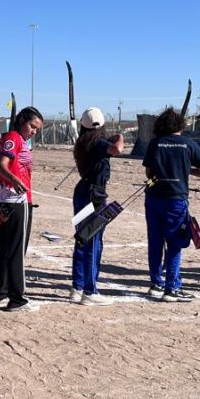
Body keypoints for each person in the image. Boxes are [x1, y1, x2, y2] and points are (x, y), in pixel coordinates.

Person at [142, 108, 200, 301]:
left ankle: (156, 283)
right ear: (180, 125)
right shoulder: (188, 144)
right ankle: (171, 287)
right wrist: (185, 170)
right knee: (174, 243)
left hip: (154, 199)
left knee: (155, 242)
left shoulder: (155, 143)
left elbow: (149, 173)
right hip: (175, 200)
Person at [0, 106, 44, 311]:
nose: (33, 131)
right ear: (21, 120)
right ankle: (17, 298)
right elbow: (2, 164)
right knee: (16, 249)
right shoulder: (13, 137)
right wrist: (14, 179)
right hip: (17, 201)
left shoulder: (17, 139)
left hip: (6, 200)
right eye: (32, 126)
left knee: (3, 246)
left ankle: (0, 290)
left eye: (37, 129)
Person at [70, 107, 125, 306]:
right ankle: (90, 290)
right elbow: (117, 149)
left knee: (82, 239)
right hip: (94, 195)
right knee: (93, 241)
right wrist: (119, 135)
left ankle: (77, 287)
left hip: (82, 192)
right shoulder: (99, 143)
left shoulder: (83, 142)